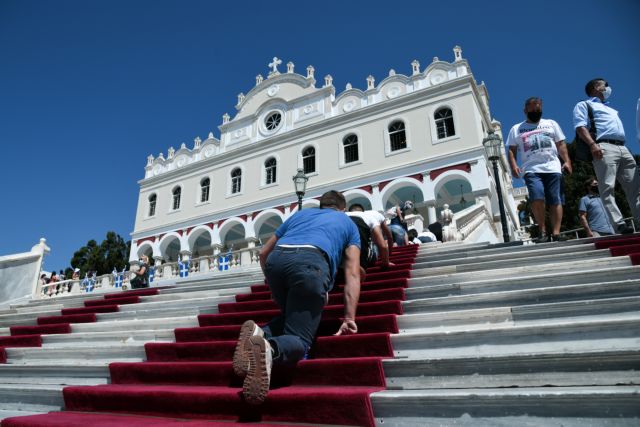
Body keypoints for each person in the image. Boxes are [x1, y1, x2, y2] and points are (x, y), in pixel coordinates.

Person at [233, 190, 361, 405]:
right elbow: (353, 272)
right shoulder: (347, 222)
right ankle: (270, 348)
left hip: (276, 261)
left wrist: (273, 285)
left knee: (294, 314)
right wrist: (349, 317)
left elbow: (264, 252)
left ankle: (260, 332)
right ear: (343, 208)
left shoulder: (300, 215)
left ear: (321, 205)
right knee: (300, 338)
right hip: (311, 264)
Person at [573, 78, 639, 234]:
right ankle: (619, 224)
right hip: (603, 147)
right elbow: (580, 127)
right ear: (596, 87)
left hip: (623, 147)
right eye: (605, 85)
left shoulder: (611, 109)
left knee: (636, 188)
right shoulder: (584, 105)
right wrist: (592, 145)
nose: (608, 88)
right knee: (607, 188)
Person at [507, 97, 572, 243]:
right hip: (531, 169)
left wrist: (567, 161)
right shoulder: (516, 129)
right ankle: (542, 231)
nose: (536, 112)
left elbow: (561, 144)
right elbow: (512, 150)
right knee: (537, 197)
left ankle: (556, 232)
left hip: (553, 167)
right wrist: (513, 166)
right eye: (533, 109)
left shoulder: (551, 124)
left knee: (555, 199)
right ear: (525, 110)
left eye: (538, 109)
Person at [346, 203, 394, 269]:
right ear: (363, 211)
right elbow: (384, 245)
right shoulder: (369, 216)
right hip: (364, 258)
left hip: (341, 257)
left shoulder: (342, 216)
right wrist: (386, 263)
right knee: (373, 243)